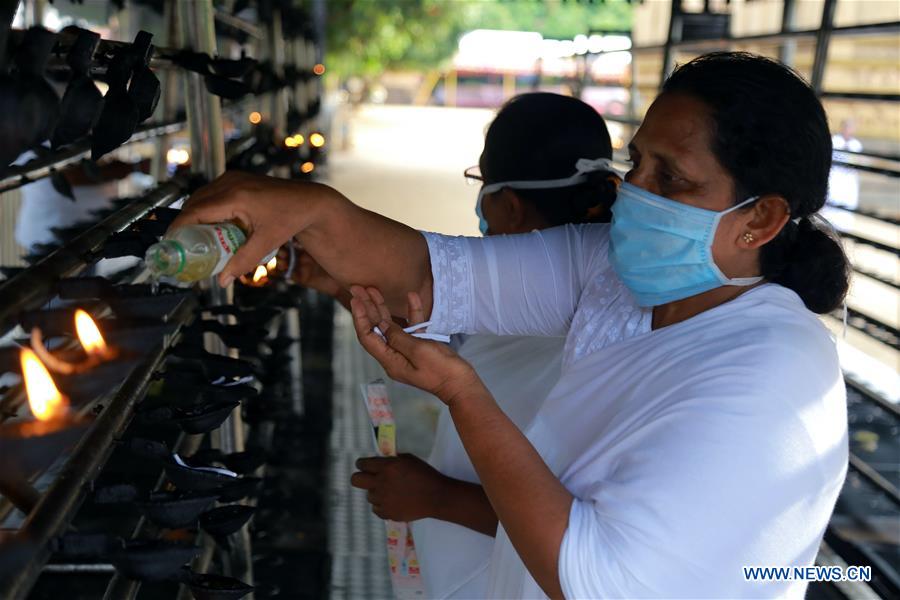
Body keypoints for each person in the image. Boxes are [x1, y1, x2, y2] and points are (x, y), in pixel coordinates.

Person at [173, 52, 851, 597]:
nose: (633, 192)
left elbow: (596, 579)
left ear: (759, 219)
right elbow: (432, 275)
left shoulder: (773, 377)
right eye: (636, 162)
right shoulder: (612, 275)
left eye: (670, 178)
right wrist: (313, 212)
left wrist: (463, 397)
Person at [281, 92, 619, 599]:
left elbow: (583, 534)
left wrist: (439, 497)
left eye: (480, 182)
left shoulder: (594, 321)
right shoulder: (551, 293)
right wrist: (338, 286)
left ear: (507, 203)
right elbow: (455, 335)